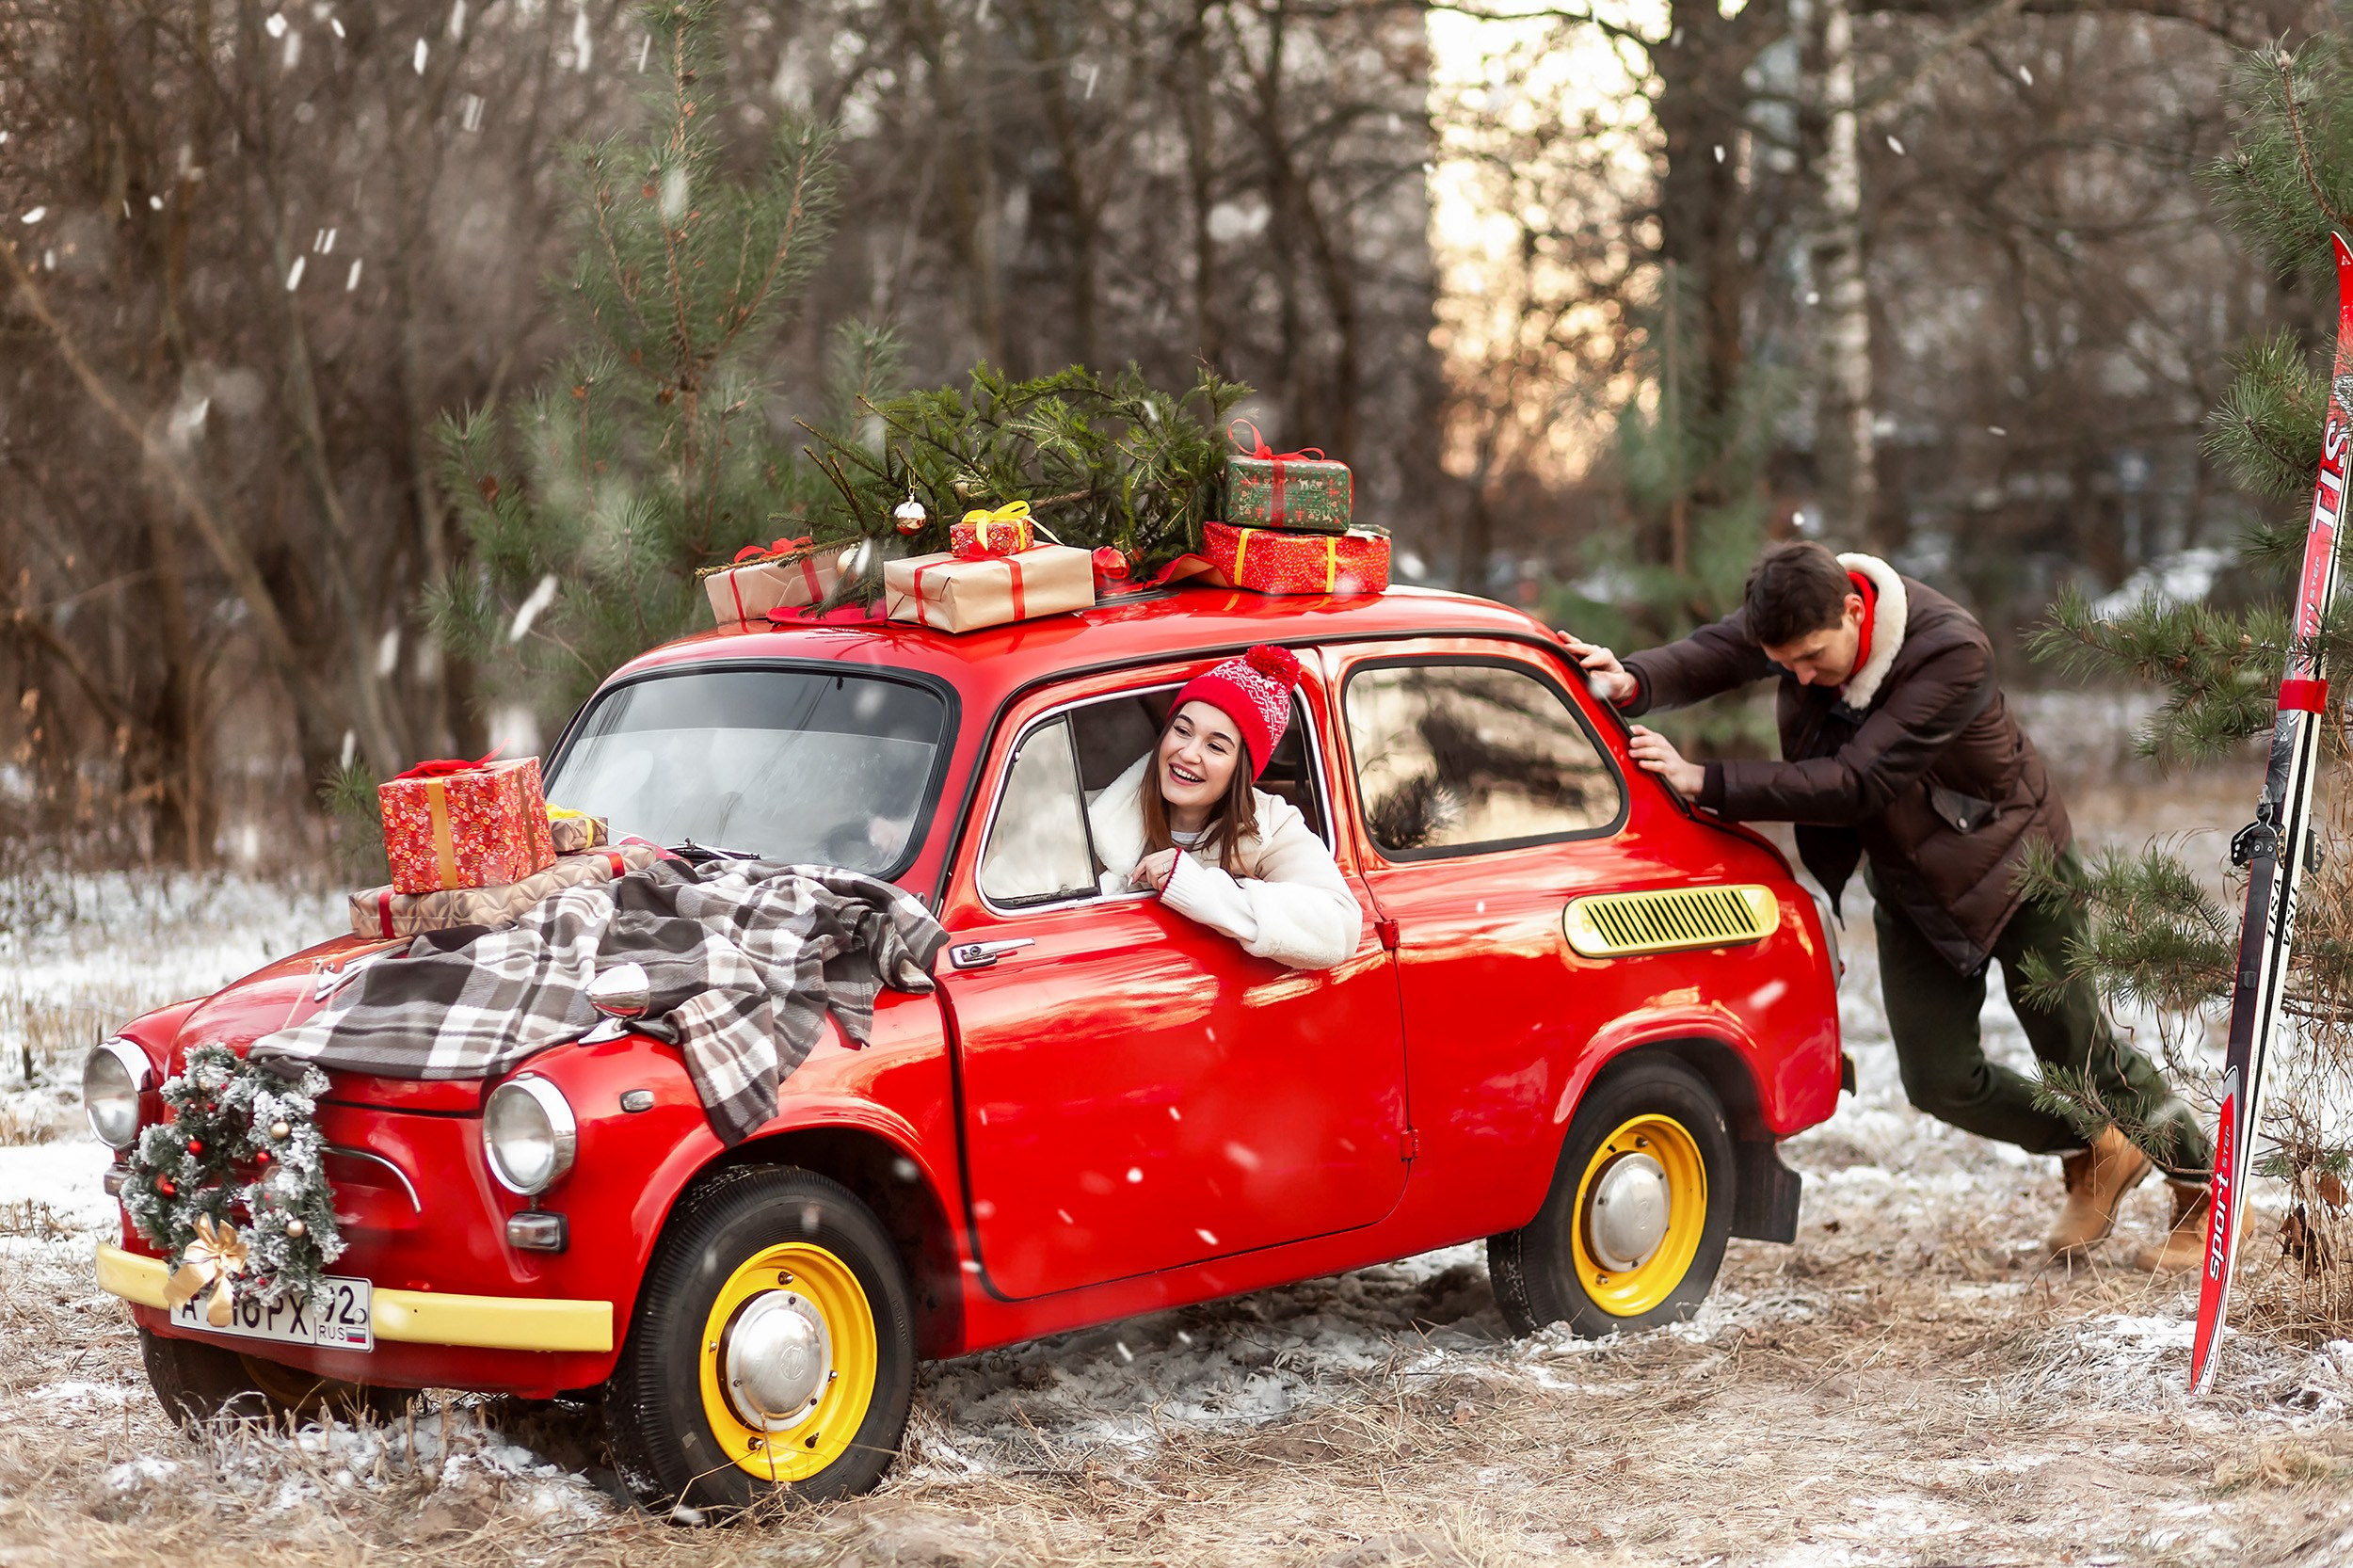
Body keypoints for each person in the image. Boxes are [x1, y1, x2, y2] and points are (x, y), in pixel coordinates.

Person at [1567, 540, 2213, 1269]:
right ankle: (2097, 1144)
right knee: (1939, 1079)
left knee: (2078, 1051)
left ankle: (2207, 1197)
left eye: (1812, 658)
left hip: (2017, 865)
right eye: (1786, 666)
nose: (1802, 678)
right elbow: (1720, 649)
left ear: (1854, 610)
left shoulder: (1950, 652)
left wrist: (1705, 780)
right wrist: (1635, 677)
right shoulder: (1803, 611)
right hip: (1914, 880)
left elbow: (1854, 783)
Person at [1087, 645, 1361, 970]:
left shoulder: (1270, 824)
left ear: (1240, 771)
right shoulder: (1098, 813)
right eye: (1182, 730)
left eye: (1215, 746)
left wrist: (1198, 888)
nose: (1188, 753)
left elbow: (1340, 927)